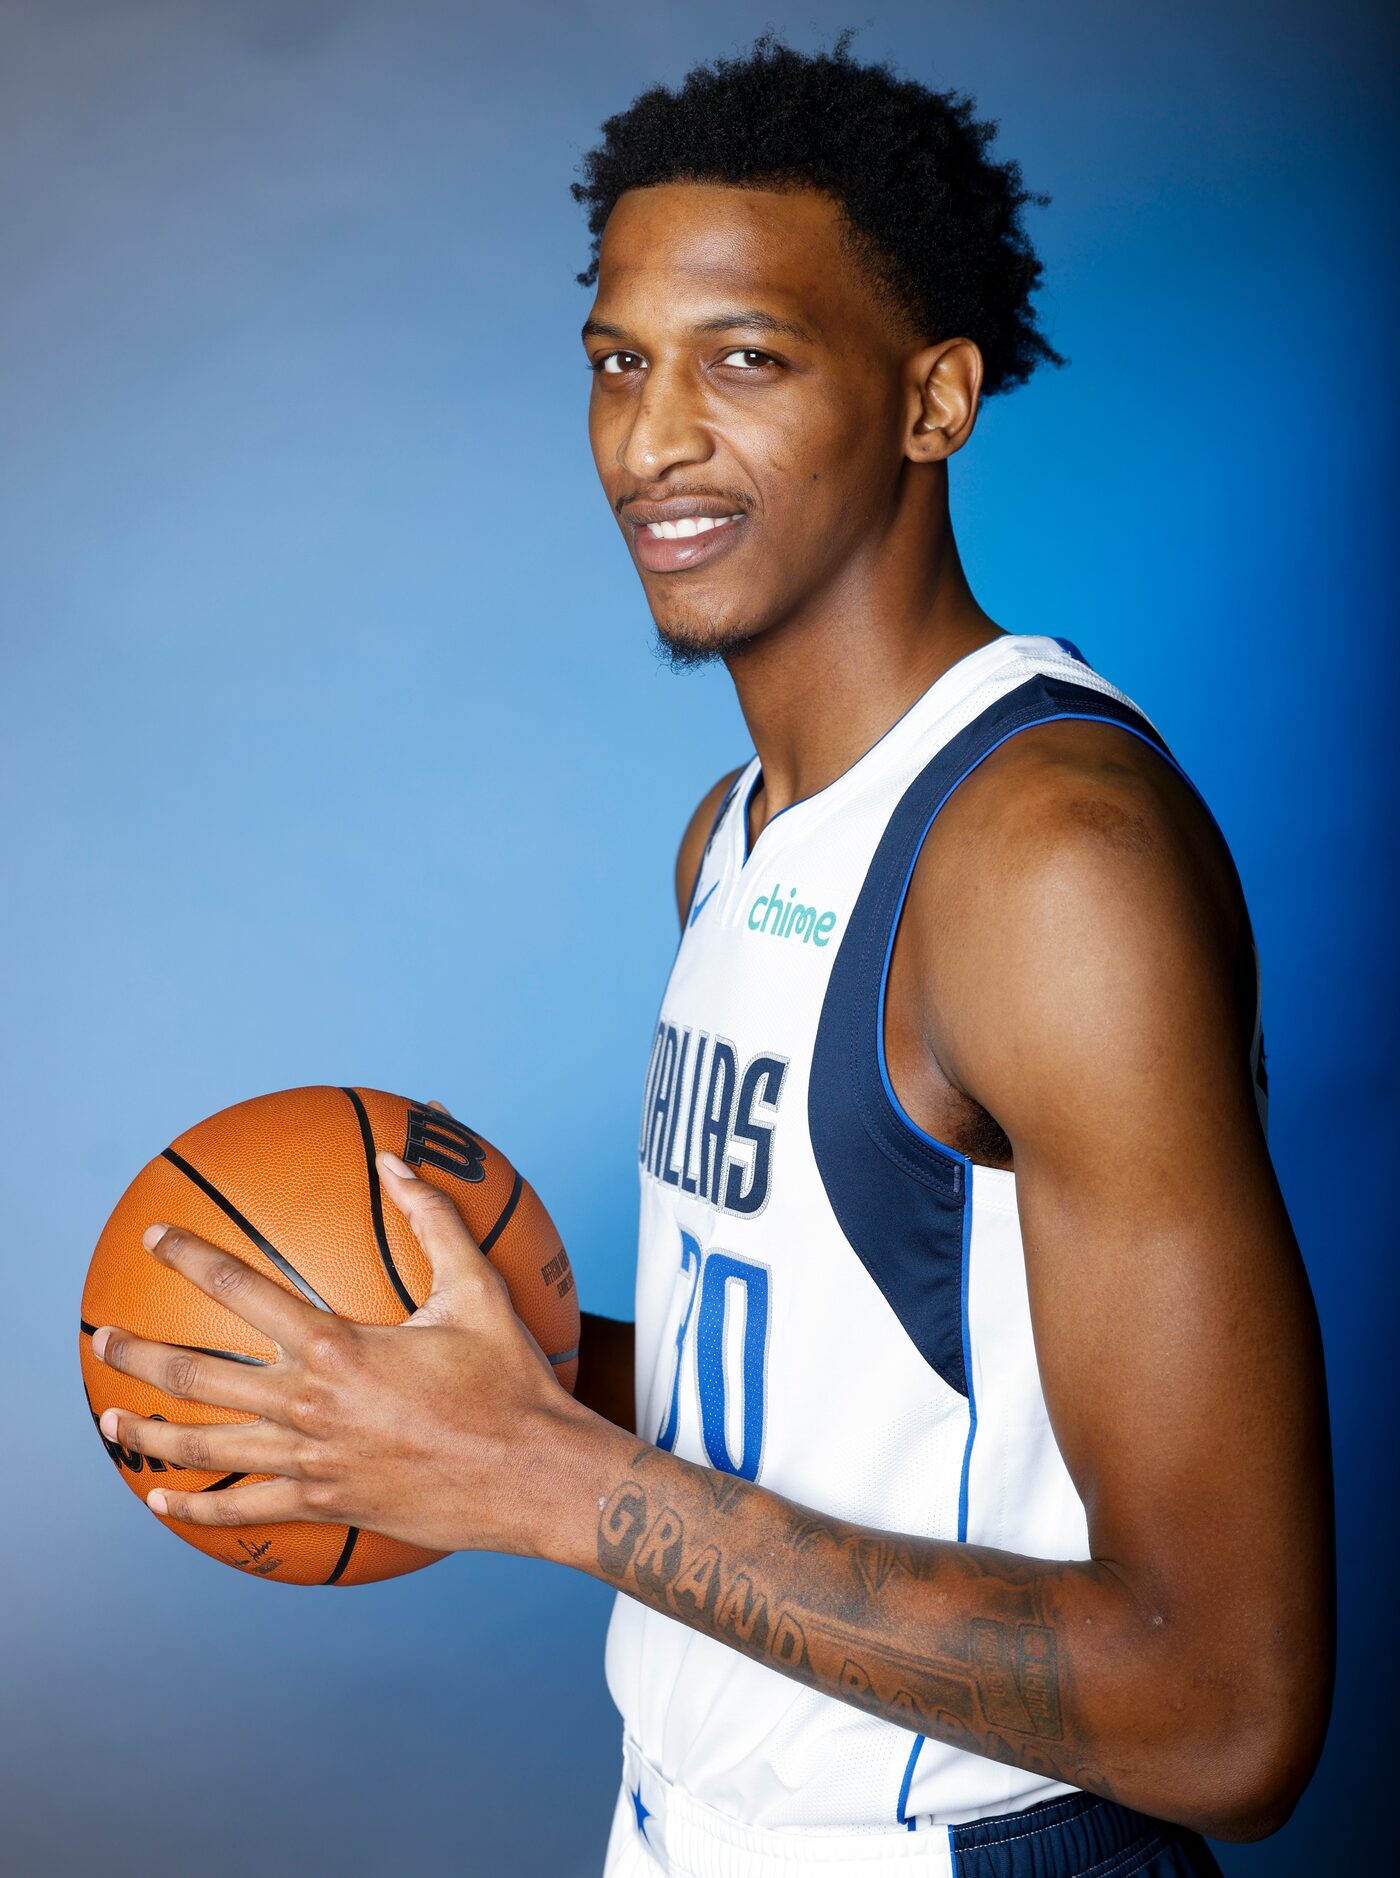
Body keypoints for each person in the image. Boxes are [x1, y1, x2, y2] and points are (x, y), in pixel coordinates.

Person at [88, 31, 1333, 1878]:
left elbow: (1227, 1706)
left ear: (933, 400)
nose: (653, 436)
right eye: (619, 361)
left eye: (744, 358)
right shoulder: (739, 834)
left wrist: (543, 1478)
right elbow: (839, 1382)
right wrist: (438, 1375)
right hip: (692, 1825)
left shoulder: (1048, 861)